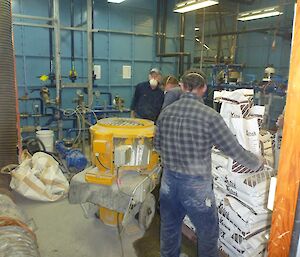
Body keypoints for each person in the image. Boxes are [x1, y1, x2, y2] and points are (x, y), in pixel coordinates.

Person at [154, 70, 264, 257]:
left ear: (182, 87)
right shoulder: (210, 117)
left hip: (168, 183)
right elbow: (234, 150)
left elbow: (157, 146)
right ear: (203, 89)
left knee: (170, 228)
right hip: (196, 187)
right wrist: (257, 163)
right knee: (207, 233)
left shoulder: (165, 114)